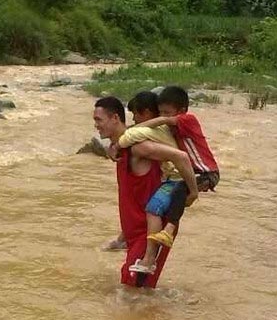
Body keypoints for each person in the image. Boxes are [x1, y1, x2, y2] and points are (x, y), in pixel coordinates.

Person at [93, 96, 198, 288]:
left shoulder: (138, 147)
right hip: (135, 235)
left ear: (115, 118)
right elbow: (133, 197)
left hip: (150, 234)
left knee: (134, 294)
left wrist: (193, 192)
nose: (96, 126)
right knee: (136, 294)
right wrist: (122, 238)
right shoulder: (120, 148)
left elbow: (181, 157)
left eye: (99, 120)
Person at [125, 85, 219, 257]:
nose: (163, 116)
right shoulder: (172, 126)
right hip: (190, 172)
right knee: (160, 204)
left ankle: (169, 229)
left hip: (207, 173)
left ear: (182, 111)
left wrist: (133, 130)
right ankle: (145, 246)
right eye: (161, 112)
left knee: (180, 190)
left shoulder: (188, 119)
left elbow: (158, 124)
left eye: (167, 112)